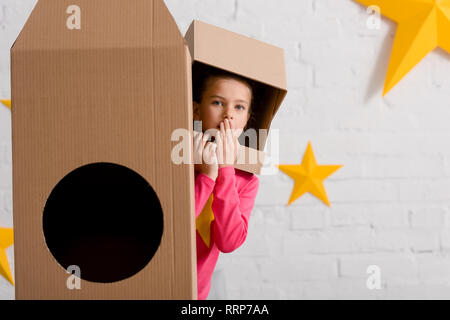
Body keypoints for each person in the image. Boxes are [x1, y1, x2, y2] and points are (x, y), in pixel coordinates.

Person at [193, 67, 260, 300]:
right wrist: (206, 177)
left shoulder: (246, 179)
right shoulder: (176, 160)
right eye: (218, 103)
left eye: (239, 107)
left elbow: (229, 242)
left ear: (247, 118)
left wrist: (224, 171)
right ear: (196, 109)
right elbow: (171, 226)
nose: (228, 114)